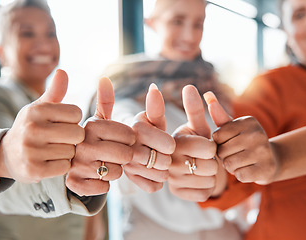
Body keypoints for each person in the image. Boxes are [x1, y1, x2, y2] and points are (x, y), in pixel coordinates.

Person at [169, 0, 306, 239]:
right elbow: (240, 162)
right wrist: (205, 170)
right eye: (299, 15)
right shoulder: (272, 86)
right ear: (286, 32)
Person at [0, 1, 132, 239]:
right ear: (0, 51)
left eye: (50, 33)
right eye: (27, 33)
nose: (42, 43)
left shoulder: (69, 114)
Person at [87, 0, 241, 239]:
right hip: (154, 229)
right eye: (177, 21)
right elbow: (120, 115)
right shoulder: (127, 79)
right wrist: (132, 131)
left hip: (218, 228)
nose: (189, 35)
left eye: (198, 24)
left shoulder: (217, 86)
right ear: (152, 23)